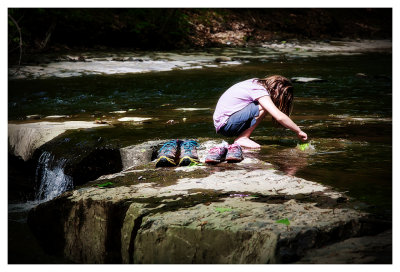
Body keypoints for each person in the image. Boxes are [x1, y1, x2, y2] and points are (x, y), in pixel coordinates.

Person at [213, 75, 308, 149]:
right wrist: (298, 131)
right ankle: (243, 138)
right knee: (266, 106)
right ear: (277, 91)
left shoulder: (254, 83)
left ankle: (243, 137)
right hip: (227, 124)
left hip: (223, 124)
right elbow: (279, 116)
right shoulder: (259, 90)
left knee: (265, 105)